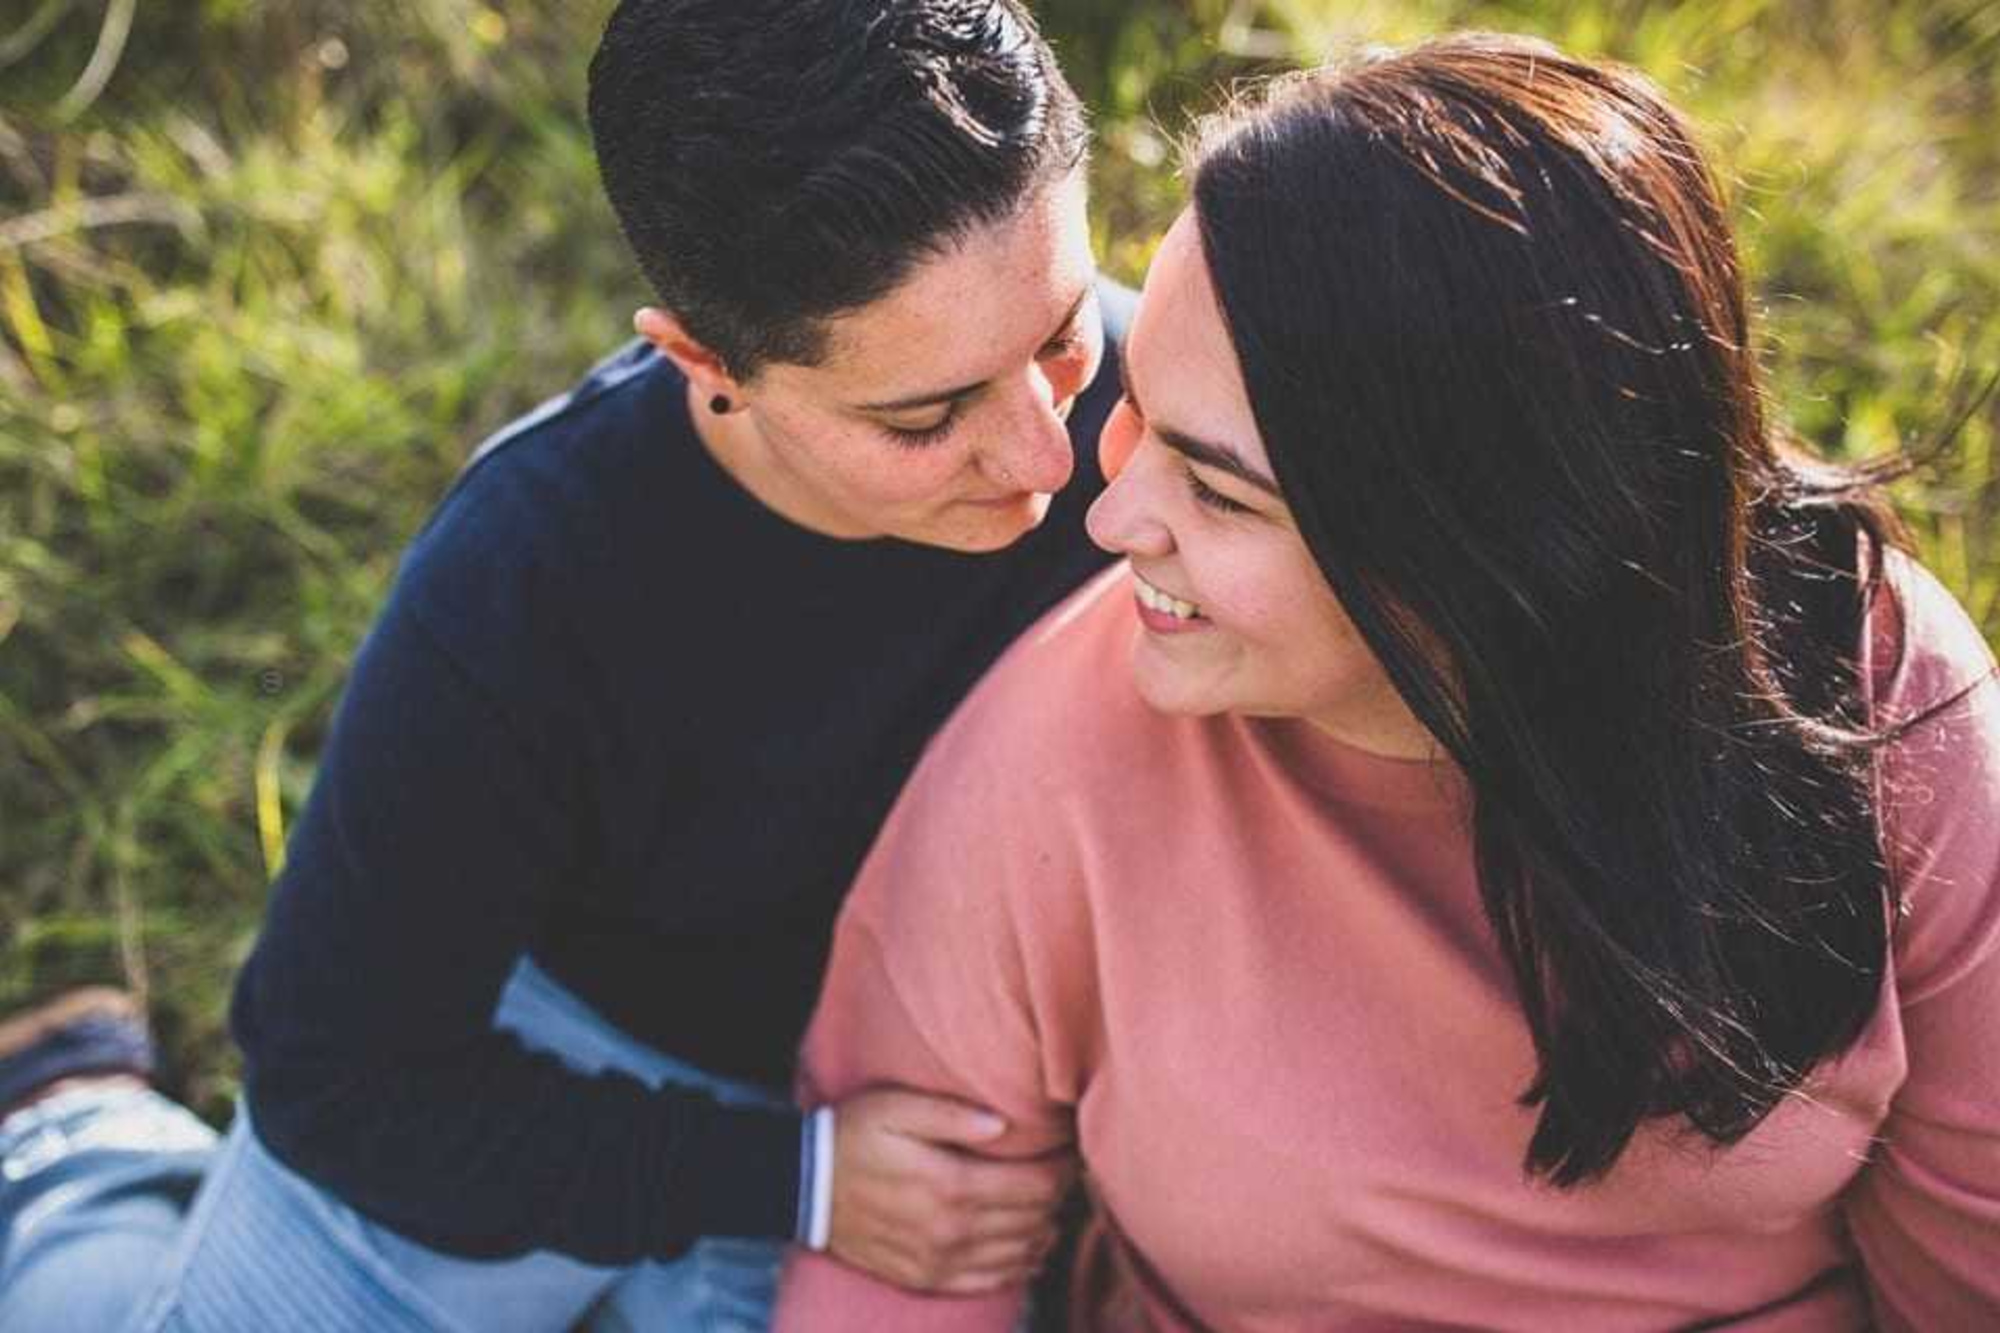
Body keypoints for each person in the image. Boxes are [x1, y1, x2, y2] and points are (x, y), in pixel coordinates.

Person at [772, 33, 2000, 1331]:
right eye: (1137, 416)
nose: (1112, 517)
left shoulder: (1860, 684)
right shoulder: (1059, 757)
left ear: (1475, 553)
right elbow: (900, 1272)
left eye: (1219, 490)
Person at [0, 2, 1134, 1329]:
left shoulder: (1185, 403)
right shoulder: (524, 576)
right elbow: (338, 1077)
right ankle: (77, 1133)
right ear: (705, 361)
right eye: (926, 417)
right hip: (536, 1045)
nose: (1049, 457)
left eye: (1060, 334)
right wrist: (795, 1177)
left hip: (914, 1067)